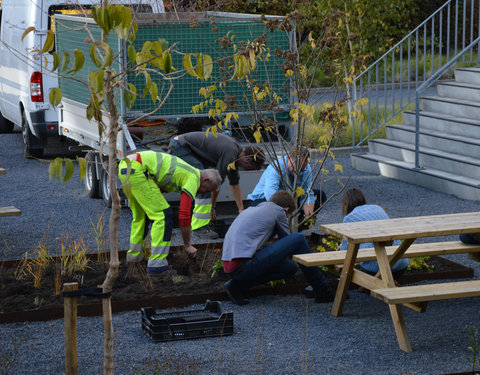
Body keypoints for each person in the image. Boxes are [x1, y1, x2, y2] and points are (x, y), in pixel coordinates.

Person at [221, 190, 336, 305]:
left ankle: (235, 286)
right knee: (299, 238)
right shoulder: (279, 211)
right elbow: (290, 242)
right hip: (244, 265)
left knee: (290, 268)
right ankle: (322, 290)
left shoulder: (252, 209)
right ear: (286, 209)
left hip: (231, 266)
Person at [118, 150, 222, 274]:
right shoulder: (194, 177)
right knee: (163, 215)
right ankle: (157, 265)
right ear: (206, 180)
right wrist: (187, 245)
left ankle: (134, 259)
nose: (202, 193)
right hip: (138, 169)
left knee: (141, 217)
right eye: (206, 191)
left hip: (126, 166)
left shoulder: (184, 171)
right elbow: (184, 215)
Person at [169, 131, 265, 231]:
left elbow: (234, 183)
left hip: (186, 148)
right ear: (248, 159)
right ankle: (199, 228)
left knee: (204, 181)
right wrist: (212, 207)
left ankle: (196, 220)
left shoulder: (235, 154)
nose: (246, 169)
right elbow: (215, 182)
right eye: (248, 167)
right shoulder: (230, 153)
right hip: (181, 147)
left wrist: (241, 209)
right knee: (205, 183)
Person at [338, 188, 410, 279]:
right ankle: (387, 281)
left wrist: (341, 247)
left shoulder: (349, 218)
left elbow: (344, 252)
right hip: (401, 264)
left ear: (345, 205)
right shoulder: (378, 208)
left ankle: (378, 283)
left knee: (358, 263)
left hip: (375, 269)